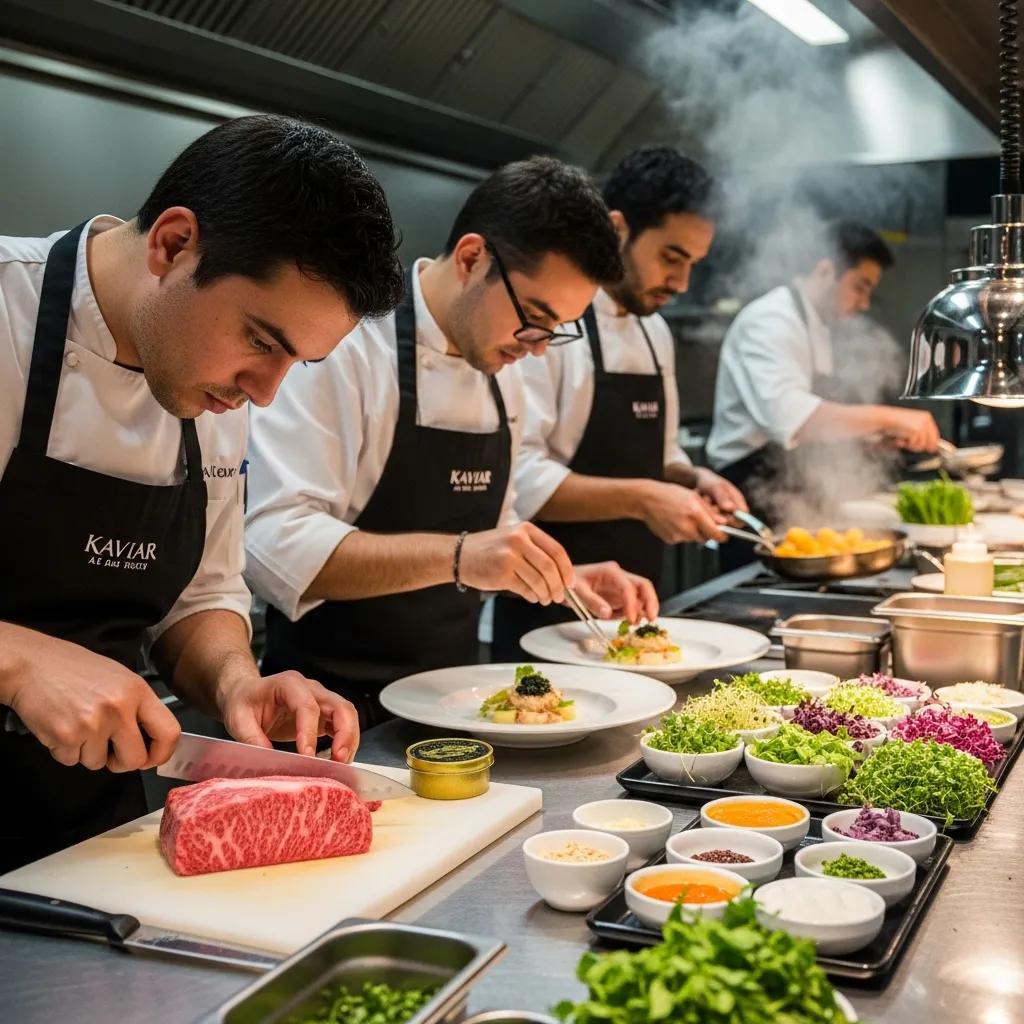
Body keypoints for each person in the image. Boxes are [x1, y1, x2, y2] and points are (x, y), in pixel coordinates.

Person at [0, 114, 403, 872]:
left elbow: (202, 594)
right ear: (173, 244)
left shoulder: (207, 384)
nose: (265, 393)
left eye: (297, 364)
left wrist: (235, 681)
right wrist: (19, 662)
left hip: (87, 844)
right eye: (262, 341)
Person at [245, 157, 658, 729]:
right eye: (534, 318)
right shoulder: (348, 345)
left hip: (458, 714)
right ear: (471, 258)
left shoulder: (501, 362)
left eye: (555, 330)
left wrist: (563, 579)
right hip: (327, 720)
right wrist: (462, 557)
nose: (537, 348)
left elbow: (497, 526)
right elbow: (273, 547)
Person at [491, 147, 744, 659]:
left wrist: (694, 480)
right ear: (619, 229)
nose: (682, 282)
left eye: (694, 264)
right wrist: (644, 498)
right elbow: (519, 476)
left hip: (638, 602)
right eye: (672, 258)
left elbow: (665, 451)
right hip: (551, 607)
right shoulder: (553, 326)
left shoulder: (657, 332)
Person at [706, 221, 940, 564]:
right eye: (860, 287)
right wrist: (892, 416)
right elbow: (792, 419)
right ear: (826, 269)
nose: (864, 303)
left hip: (796, 486)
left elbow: (815, 427)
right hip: (751, 492)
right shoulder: (770, 320)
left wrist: (870, 441)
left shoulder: (814, 325)